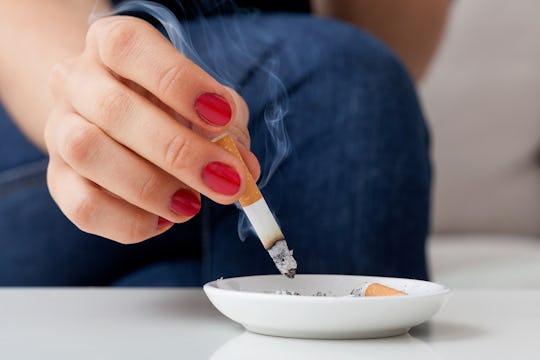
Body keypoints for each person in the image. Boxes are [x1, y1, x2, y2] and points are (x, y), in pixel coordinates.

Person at [0, 0, 448, 286]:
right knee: (345, 82)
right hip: (42, 119)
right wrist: (89, 97)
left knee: (170, 292)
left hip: (302, 106)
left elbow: (390, 57)